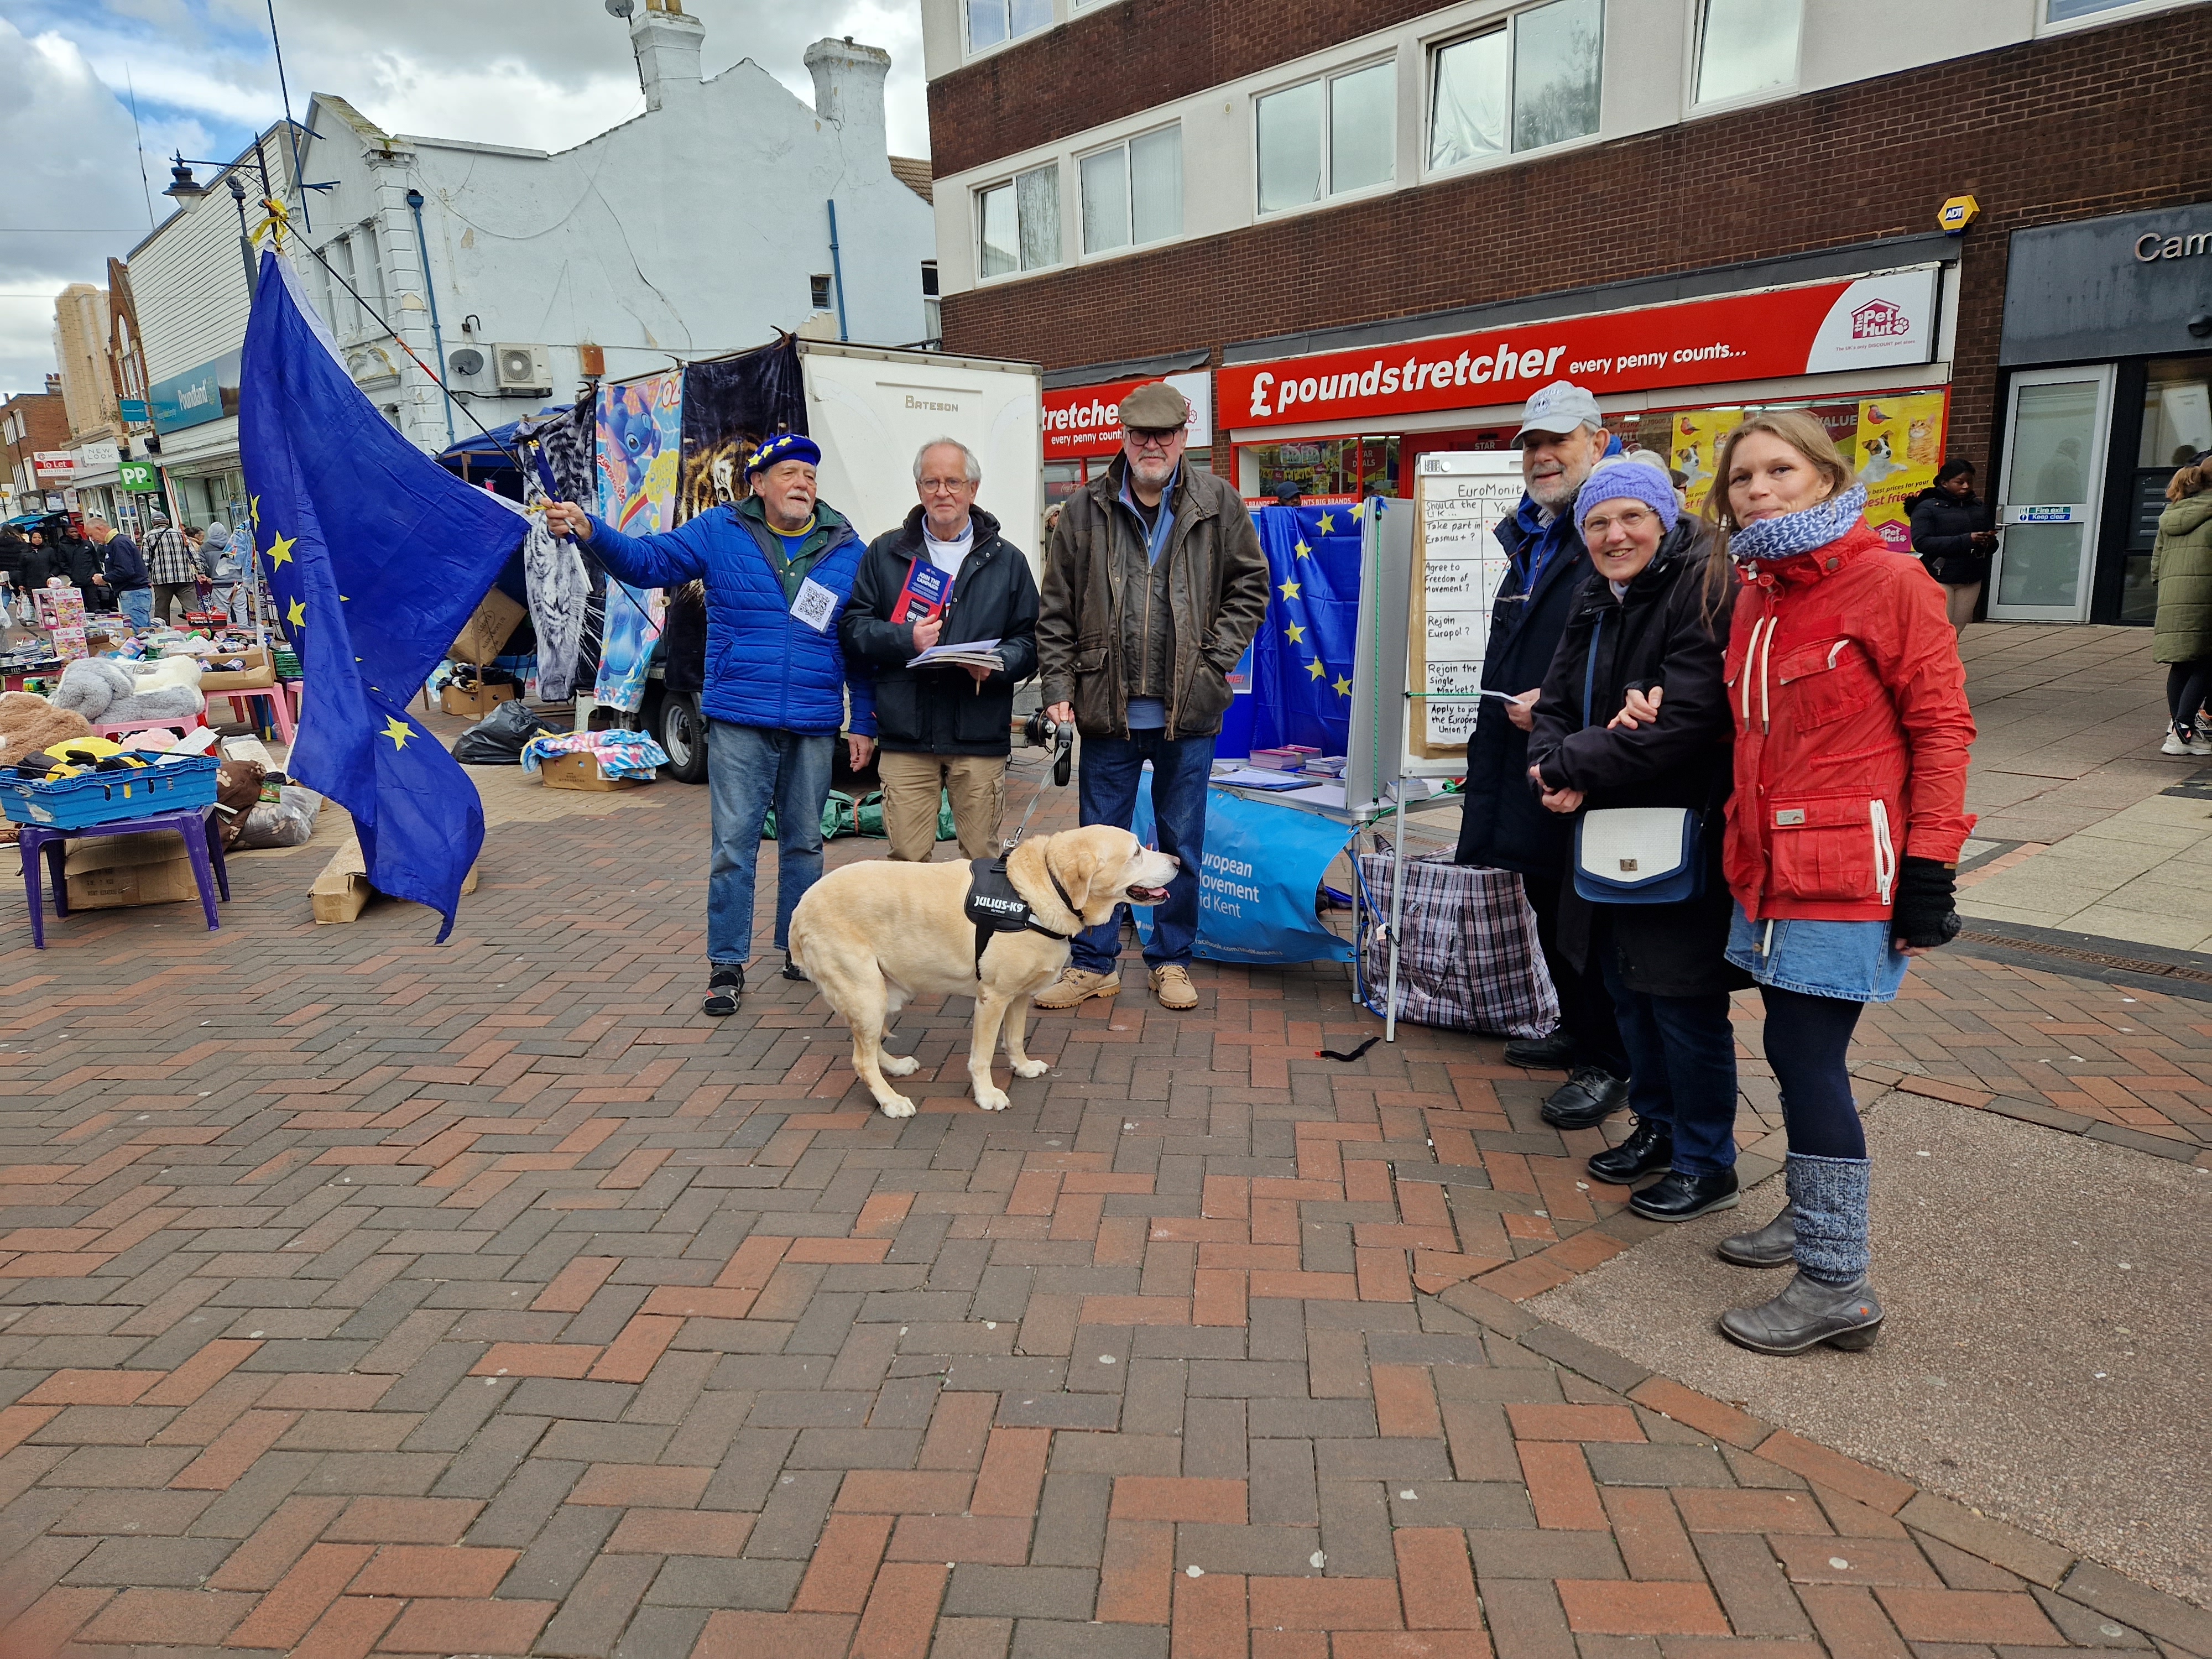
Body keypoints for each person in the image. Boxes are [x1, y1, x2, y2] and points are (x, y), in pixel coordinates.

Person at [1640, 410, 1974, 1355]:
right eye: (1742, 478)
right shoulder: (1756, 592)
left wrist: (1931, 870)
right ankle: (1809, 1218)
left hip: (1846, 872)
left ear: (1825, 477)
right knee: (1791, 1052)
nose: (1759, 490)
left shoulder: (1890, 581)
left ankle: (1836, 1283)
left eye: (1779, 469)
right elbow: (1752, 729)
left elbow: (1942, 730)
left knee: (1807, 1052)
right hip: (1767, 863)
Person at [544, 432, 877, 1016]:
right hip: (737, 718)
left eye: (810, 475)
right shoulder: (719, 531)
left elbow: (860, 645)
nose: (803, 484)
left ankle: (799, 949)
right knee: (733, 847)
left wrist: (865, 720)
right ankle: (726, 962)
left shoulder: (848, 546)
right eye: (790, 473)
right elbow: (647, 562)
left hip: (813, 717)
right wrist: (592, 529)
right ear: (758, 483)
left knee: (804, 843)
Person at [1526, 453, 1750, 1222]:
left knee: (1682, 1002)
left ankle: (1705, 1158)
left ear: (1663, 517)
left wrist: (1574, 759)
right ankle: (1656, 1128)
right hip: (1606, 827)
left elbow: (1685, 724)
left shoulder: (1706, 586)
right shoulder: (1598, 595)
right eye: (1598, 522)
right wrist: (1553, 767)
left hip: (1682, 831)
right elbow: (1554, 702)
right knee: (1627, 989)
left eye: (1631, 517)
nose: (1615, 534)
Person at [1032, 380, 1270, 1012]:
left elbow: (1250, 589)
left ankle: (1171, 961)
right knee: (1096, 852)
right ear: (1125, 438)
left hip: (1188, 715)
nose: (1151, 446)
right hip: (1107, 711)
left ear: (1182, 438)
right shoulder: (1084, 509)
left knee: (1181, 843)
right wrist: (1058, 686)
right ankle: (1094, 964)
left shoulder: (1219, 502)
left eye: (1163, 435)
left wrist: (1211, 662)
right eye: (1140, 435)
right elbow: (1053, 609)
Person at [1452, 382, 1631, 1129]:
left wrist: (1564, 715)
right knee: (1541, 894)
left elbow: (1635, 658)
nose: (1542, 455)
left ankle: (1609, 1059)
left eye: (1557, 440)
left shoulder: (1614, 525)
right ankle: (1575, 1029)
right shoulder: (1539, 528)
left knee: (1587, 912)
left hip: (1584, 754)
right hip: (1529, 746)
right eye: (1531, 443)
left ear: (1597, 438)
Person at [843, 438, 1040, 861]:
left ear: (973, 489)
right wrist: (904, 639)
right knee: (907, 866)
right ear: (919, 489)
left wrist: (998, 664)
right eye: (931, 482)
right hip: (906, 736)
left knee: (980, 862)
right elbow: (854, 629)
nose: (942, 492)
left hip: (978, 731)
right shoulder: (885, 552)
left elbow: (1031, 639)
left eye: (954, 481)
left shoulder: (1008, 560)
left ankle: (972, 932)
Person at [2150, 457, 2212, 757]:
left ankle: (2180, 733)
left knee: (2181, 662)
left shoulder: (2171, 513)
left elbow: (2156, 563)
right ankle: (2184, 728)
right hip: (2204, 594)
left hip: (2172, 595)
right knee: (2205, 661)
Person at [1908, 459, 1996, 630]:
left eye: (1969, 482)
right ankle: (1933, 658)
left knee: (1956, 631)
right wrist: (1967, 540)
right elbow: (1921, 542)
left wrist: (1988, 542)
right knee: (1939, 629)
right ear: (1944, 483)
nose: (1965, 486)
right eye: (1959, 482)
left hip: (1971, 577)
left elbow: (1989, 546)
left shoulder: (1978, 507)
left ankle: (1948, 658)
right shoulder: (1927, 507)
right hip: (1939, 575)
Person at [85, 518, 150, 628]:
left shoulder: (118, 543)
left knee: (139, 632)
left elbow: (126, 571)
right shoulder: (113, 543)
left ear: (99, 529)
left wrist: (104, 579)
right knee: (141, 629)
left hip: (133, 593)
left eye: (92, 535)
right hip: (132, 592)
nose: (93, 539)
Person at [144, 513, 197, 623]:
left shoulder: (148, 536)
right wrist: (201, 572)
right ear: (167, 521)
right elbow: (194, 555)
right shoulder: (181, 534)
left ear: (153, 523)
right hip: (185, 578)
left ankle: (164, 635)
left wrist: (146, 579)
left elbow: (145, 562)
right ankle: (201, 632)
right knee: (193, 611)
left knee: (161, 613)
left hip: (162, 580)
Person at [198, 518, 242, 623]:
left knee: (223, 613)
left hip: (219, 586)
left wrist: (210, 576)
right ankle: (244, 632)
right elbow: (243, 562)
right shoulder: (235, 545)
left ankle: (228, 635)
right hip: (238, 584)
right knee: (241, 611)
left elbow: (204, 567)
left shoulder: (205, 548)